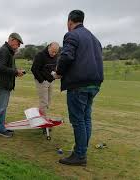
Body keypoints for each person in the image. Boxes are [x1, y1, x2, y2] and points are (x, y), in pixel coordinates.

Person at [54, 10, 104, 166]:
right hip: (94, 84)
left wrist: (59, 73)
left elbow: (67, 56)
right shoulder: (95, 39)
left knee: (78, 121)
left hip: (79, 85)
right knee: (86, 119)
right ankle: (82, 150)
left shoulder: (72, 35)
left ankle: (80, 154)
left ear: (70, 22)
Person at [0, 32, 25, 138]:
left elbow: (7, 67)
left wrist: (16, 71)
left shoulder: (9, 51)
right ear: (12, 40)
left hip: (6, 82)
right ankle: (0, 129)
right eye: (18, 43)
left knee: (2, 106)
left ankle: (1, 126)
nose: (18, 46)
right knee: (2, 106)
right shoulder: (4, 51)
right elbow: (0, 68)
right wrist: (15, 72)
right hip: (3, 83)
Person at [31, 42, 60, 115]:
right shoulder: (40, 55)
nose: (53, 54)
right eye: (52, 51)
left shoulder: (55, 56)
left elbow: (53, 68)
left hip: (50, 81)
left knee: (48, 101)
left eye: (55, 52)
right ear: (49, 47)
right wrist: (42, 80)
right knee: (44, 102)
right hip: (42, 81)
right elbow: (34, 69)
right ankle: (42, 121)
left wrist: (56, 74)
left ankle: (43, 118)